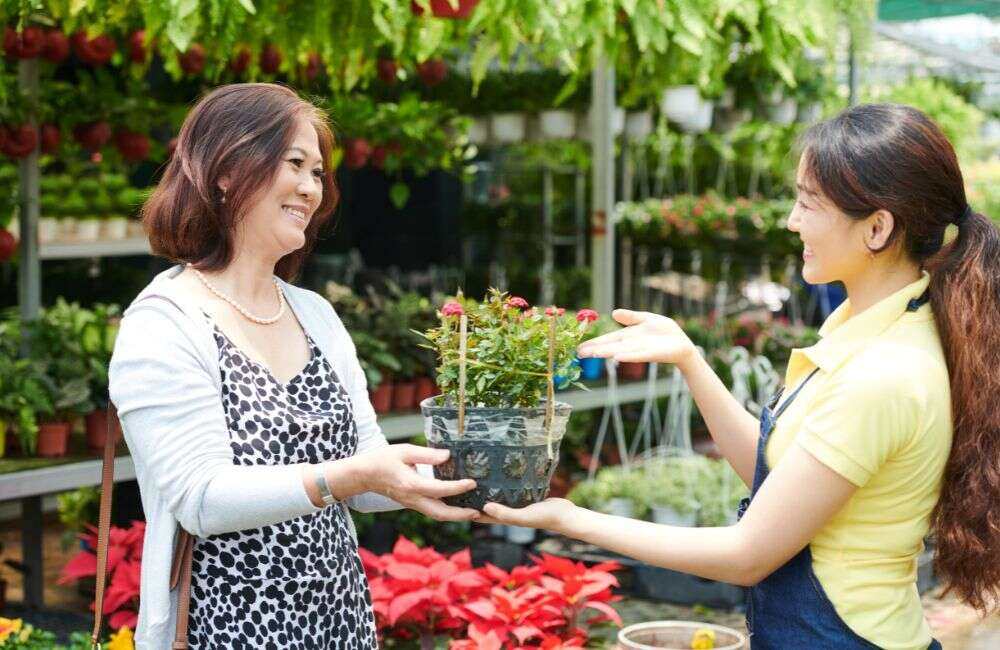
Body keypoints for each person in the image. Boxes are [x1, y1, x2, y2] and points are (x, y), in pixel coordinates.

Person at [482, 104, 1000, 649]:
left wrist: (571, 520)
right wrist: (691, 361)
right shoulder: (874, 327)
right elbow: (780, 478)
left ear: (876, 228)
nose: (791, 220)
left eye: (808, 202)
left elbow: (747, 555)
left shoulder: (883, 374)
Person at [109, 83, 479, 650]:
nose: (311, 188)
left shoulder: (314, 314)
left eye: (319, 173)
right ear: (227, 170)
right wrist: (348, 477)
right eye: (295, 165)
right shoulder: (164, 322)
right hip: (228, 629)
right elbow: (201, 499)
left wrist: (475, 474)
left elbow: (368, 472)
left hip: (339, 621)